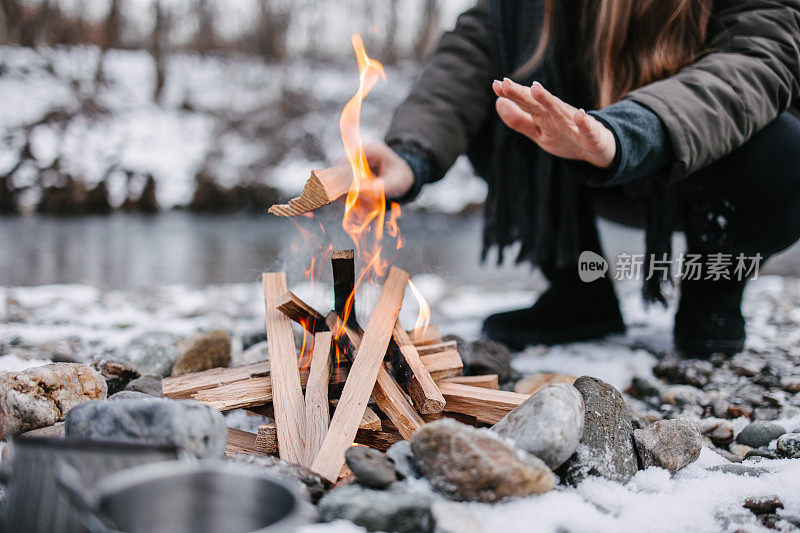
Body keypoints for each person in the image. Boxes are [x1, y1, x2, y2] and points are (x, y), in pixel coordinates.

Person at [339, 0, 800, 356]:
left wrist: (630, 130)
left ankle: (713, 295)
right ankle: (579, 297)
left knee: (786, 146)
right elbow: (471, 52)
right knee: (504, 101)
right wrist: (412, 153)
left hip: (687, 157)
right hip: (572, 160)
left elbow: (759, 55)